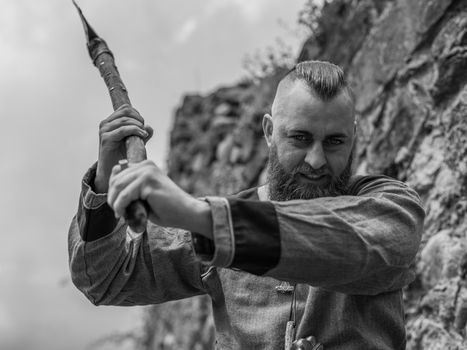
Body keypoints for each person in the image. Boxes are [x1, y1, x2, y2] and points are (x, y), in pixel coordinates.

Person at [69, 60, 425, 349]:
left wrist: (201, 217)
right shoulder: (212, 224)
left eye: (334, 142)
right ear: (270, 131)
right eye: (300, 138)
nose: (316, 160)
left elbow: (355, 243)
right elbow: (105, 279)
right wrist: (103, 180)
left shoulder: (389, 206)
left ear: (354, 137)